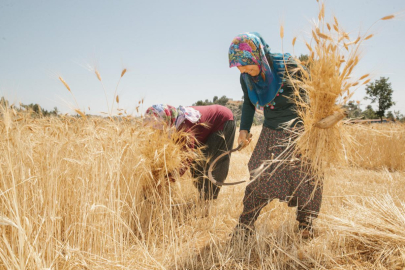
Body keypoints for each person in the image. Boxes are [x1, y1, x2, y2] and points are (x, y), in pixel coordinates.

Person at [228, 32, 322, 238]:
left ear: (258, 55)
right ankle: (246, 225)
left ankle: (307, 224)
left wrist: (314, 124)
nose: (243, 70)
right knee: (258, 172)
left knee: (305, 175)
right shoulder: (246, 77)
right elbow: (248, 102)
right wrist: (244, 129)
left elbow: (312, 91)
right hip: (270, 129)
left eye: (246, 65)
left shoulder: (288, 65)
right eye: (239, 67)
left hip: (299, 130)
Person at [144, 104, 236, 200]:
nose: (156, 132)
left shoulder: (183, 127)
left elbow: (187, 159)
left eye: (157, 128)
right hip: (206, 129)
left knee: (211, 165)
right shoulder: (171, 122)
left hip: (222, 121)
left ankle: (208, 201)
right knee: (197, 167)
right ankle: (204, 197)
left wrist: (166, 181)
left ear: (165, 121)